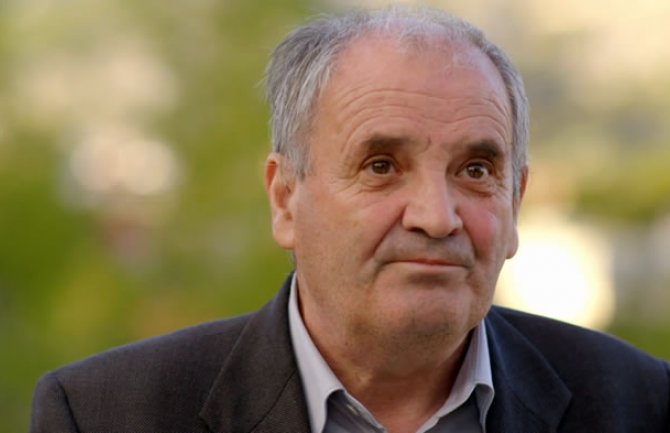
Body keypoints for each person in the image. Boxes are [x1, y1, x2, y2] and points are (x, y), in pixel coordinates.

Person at [31, 6, 669, 433]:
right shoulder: (105, 414)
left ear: (515, 205)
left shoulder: (638, 404)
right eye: (381, 165)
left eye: (475, 170)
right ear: (286, 199)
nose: (436, 218)